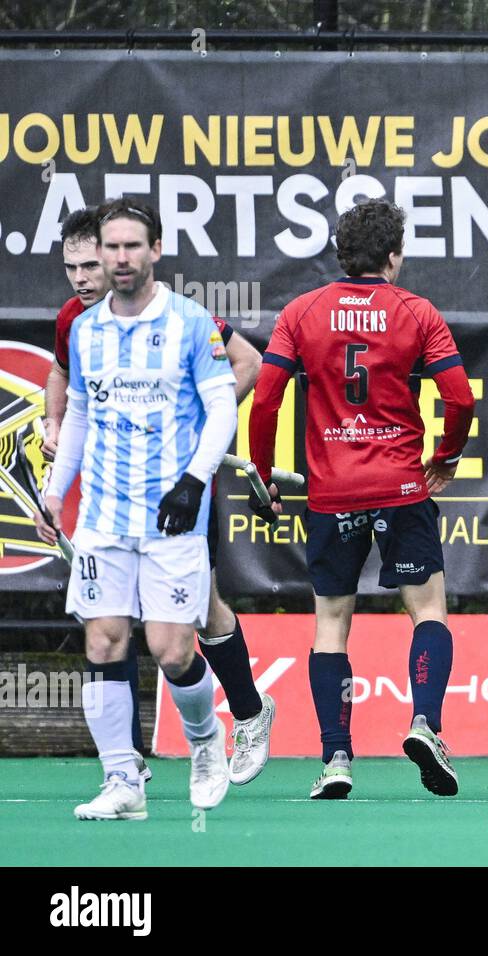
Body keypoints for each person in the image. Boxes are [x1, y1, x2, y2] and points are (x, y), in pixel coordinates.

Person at [247, 198, 474, 800]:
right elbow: (461, 399)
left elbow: (266, 401)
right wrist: (445, 457)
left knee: (331, 624)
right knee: (427, 611)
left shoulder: (302, 310)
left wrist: (264, 474)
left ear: (341, 254)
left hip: (332, 493)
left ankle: (337, 758)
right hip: (401, 486)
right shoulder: (417, 311)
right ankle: (425, 722)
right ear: (394, 255)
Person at [42, 207, 275, 788]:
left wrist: (191, 439)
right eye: (74, 266)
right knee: (108, 628)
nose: (85, 277)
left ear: (143, 252)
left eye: (92, 263)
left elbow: (245, 365)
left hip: (179, 489)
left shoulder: (183, 318)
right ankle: (124, 769)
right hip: (108, 501)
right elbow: (66, 380)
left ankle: (247, 712)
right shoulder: (78, 319)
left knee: (195, 620)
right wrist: (54, 425)